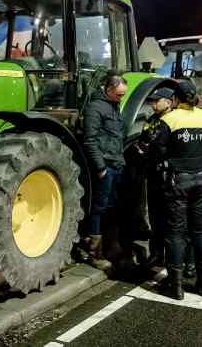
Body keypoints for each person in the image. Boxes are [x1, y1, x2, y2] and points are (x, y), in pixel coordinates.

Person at [151, 79, 202, 300]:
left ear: (175, 99)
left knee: (176, 233)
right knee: (200, 231)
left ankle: (176, 286)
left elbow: (158, 151)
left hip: (178, 182)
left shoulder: (170, 119)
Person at [82, 74, 128, 271]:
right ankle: (95, 253)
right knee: (99, 209)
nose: (121, 99)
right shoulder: (95, 108)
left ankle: (111, 247)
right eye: (119, 95)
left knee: (112, 207)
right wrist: (100, 168)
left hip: (116, 164)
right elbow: (90, 140)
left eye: (122, 95)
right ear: (109, 90)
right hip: (106, 167)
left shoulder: (113, 106)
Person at [134, 86, 176, 280]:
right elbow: (144, 140)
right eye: (152, 100)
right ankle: (157, 254)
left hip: (169, 178)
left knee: (170, 220)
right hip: (152, 175)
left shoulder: (175, 121)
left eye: (157, 100)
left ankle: (173, 259)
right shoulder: (151, 121)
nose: (153, 103)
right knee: (155, 216)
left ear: (168, 102)